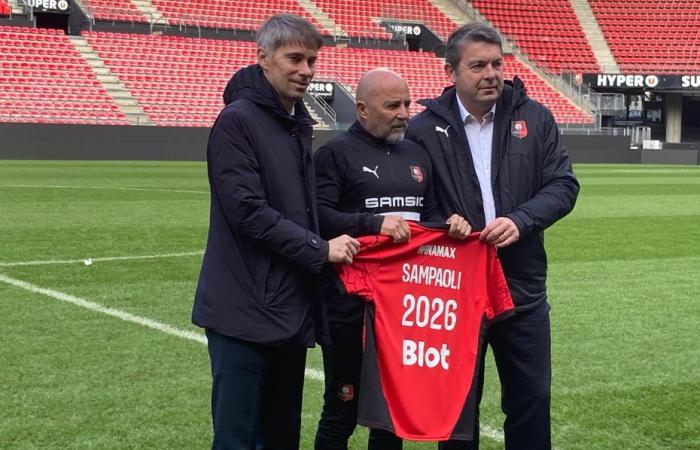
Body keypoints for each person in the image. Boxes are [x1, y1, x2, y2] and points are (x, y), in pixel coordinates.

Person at [406, 23, 579, 450]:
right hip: (457, 293)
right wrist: (443, 221)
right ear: (451, 72)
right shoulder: (423, 129)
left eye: (497, 64)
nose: (491, 74)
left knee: (532, 399)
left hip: (522, 288)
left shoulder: (535, 118)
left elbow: (563, 186)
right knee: (459, 408)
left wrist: (520, 220)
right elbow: (414, 202)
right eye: (478, 65)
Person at [191, 14, 360, 450]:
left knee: (282, 435)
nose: (306, 69)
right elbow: (246, 211)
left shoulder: (295, 123)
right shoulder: (238, 121)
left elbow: (304, 210)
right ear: (263, 58)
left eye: (312, 60)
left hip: (288, 307)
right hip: (242, 311)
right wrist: (319, 249)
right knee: (239, 439)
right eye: (295, 58)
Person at [313, 68, 471, 450]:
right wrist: (373, 223)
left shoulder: (417, 154)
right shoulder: (334, 155)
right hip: (349, 306)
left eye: (407, 104)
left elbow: (429, 215)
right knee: (342, 408)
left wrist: (449, 225)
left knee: (389, 414)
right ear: (363, 109)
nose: (404, 113)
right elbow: (316, 216)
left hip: (403, 310)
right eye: (393, 105)